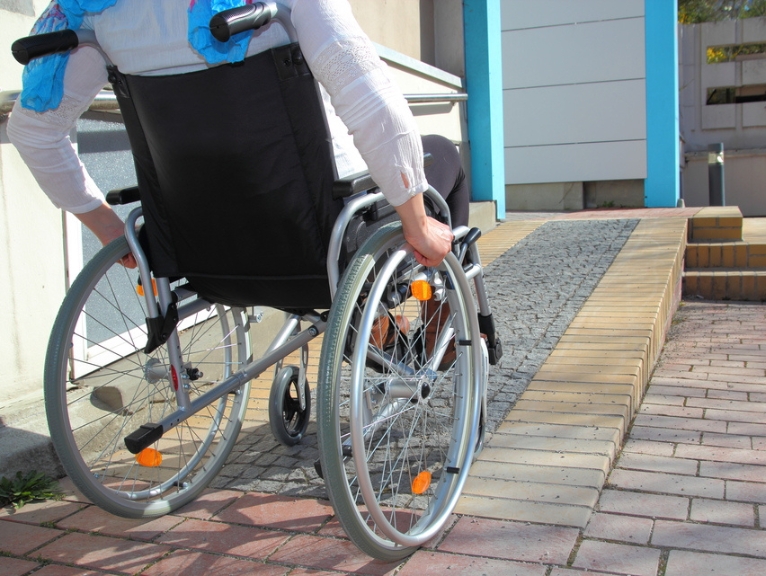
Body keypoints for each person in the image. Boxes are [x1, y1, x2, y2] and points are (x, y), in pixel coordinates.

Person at [8, 0, 468, 269]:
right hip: (316, 229)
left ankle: (386, 331)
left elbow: (33, 132)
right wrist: (417, 223)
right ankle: (437, 318)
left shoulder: (94, 12)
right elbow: (370, 101)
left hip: (194, 244)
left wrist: (111, 232)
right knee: (444, 157)